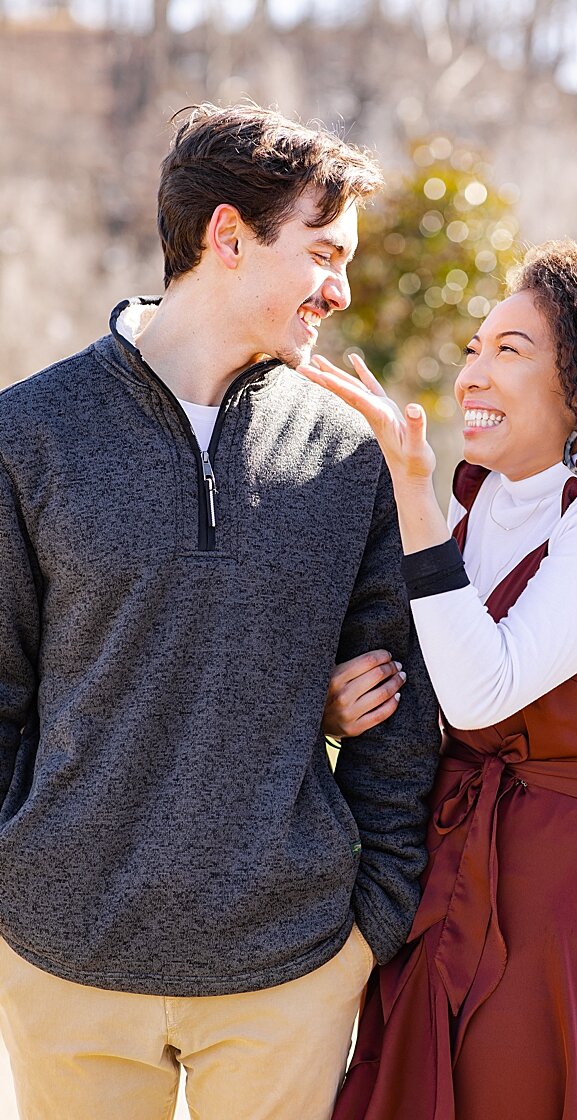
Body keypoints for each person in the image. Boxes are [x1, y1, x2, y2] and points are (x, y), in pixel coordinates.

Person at [0, 103, 440, 1119]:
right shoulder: (31, 434)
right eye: (322, 253)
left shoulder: (344, 453)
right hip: (68, 965)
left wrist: (366, 926)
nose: (339, 289)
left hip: (288, 968)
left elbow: (403, 708)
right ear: (227, 237)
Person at [301, 239, 577, 1120]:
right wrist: (335, 703)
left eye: (511, 351)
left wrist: (415, 490)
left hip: (557, 897)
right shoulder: (475, 499)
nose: (473, 374)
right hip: (441, 864)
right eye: (473, 348)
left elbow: (481, 691)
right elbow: (419, 672)